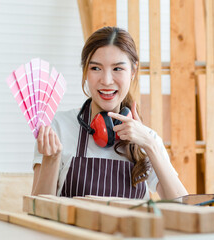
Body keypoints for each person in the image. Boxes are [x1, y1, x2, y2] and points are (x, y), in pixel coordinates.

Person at [31, 26, 188, 200]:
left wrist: (149, 145)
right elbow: (37, 211)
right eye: (96, 68)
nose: (106, 80)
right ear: (85, 72)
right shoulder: (58, 128)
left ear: (133, 72)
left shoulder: (147, 138)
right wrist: (51, 159)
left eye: (117, 69)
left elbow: (183, 206)